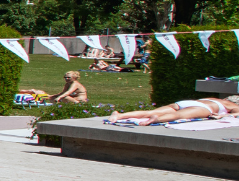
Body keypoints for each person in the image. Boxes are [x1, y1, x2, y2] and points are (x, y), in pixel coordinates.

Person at [108, 95, 239, 125]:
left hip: (187, 102)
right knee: (178, 116)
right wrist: (222, 116)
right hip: (204, 108)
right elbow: (236, 113)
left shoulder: (214, 98)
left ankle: (119, 115)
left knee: (150, 111)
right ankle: (156, 120)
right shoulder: (232, 105)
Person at [19, 70, 88, 104]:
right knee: (50, 97)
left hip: (79, 102)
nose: (66, 79)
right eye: (65, 77)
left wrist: (59, 97)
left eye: (68, 77)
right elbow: (62, 93)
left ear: (74, 77)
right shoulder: (68, 84)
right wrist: (51, 96)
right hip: (72, 99)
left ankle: (36, 96)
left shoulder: (75, 84)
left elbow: (67, 93)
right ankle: (35, 97)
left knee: (63, 97)